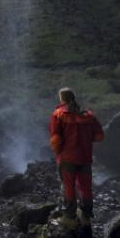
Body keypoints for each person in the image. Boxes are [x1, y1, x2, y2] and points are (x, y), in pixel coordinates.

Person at [48, 87, 104, 223]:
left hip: (67, 158)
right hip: (85, 157)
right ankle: (87, 215)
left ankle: (70, 216)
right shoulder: (89, 116)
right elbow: (99, 136)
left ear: (62, 99)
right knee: (85, 187)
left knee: (69, 187)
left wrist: (58, 153)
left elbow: (56, 139)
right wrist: (85, 139)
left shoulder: (58, 115)